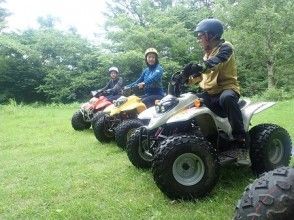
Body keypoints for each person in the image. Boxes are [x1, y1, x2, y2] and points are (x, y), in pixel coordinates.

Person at [183, 18, 246, 158]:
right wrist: (186, 78)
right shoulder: (206, 55)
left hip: (227, 88)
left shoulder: (226, 47)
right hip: (209, 93)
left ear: (210, 35)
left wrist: (202, 66)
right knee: (188, 103)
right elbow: (201, 76)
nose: (198, 39)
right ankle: (200, 138)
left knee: (227, 98)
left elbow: (218, 62)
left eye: (200, 36)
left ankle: (240, 139)